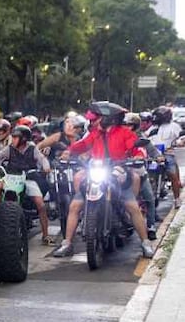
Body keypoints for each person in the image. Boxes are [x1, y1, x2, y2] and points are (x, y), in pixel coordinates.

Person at [52, 102, 154, 259]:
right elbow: (82, 145)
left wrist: (139, 156)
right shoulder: (95, 133)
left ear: (108, 119)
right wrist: (68, 152)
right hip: (96, 171)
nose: (91, 122)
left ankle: (145, 243)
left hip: (118, 171)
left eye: (95, 119)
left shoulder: (124, 133)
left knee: (132, 206)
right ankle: (67, 243)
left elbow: (136, 147)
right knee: (75, 205)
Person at [0, 124, 54, 245]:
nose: (13, 139)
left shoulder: (32, 148)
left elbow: (42, 159)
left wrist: (46, 167)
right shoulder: (9, 149)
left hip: (28, 178)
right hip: (10, 177)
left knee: (40, 205)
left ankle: (45, 235)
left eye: (16, 137)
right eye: (13, 137)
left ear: (24, 139)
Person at [123, 112, 160, 239]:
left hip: (139, 173)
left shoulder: (141, 139)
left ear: (135, 126)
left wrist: (158, 157)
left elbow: (151, 151)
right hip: (121, 175)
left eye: (129, 125)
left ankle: (150, 226)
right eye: (124, 125)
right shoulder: (117, 137)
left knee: (149, 198)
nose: (126, 127)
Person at [148, 105, 182, 207]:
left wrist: (179, 142)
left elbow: (180, 137)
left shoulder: (174, 127)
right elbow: (146, 136)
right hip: (153, 154)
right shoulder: (154, 127)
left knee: (173, 175)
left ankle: (177, 199)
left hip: (167, 153)